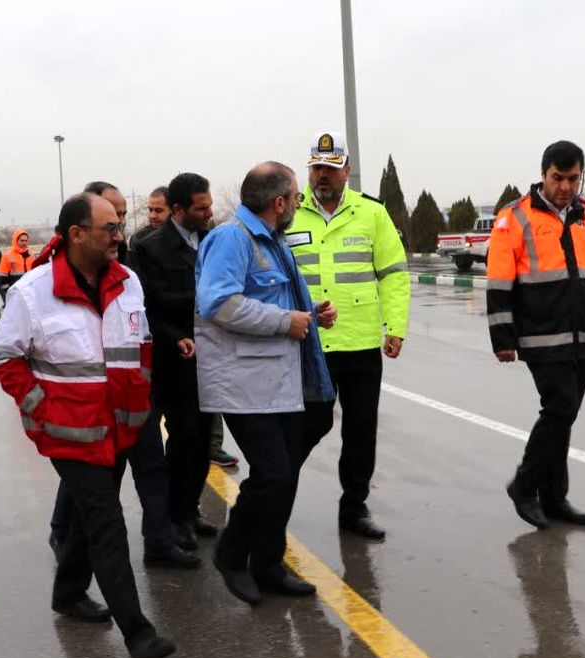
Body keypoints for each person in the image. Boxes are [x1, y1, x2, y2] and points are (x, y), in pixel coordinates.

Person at [0, 191, 175, 658]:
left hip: (119, 428)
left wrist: (142, 392)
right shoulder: (32, 291)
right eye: (109, 228)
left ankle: (68, 591)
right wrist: (40, 408)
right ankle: (138, 632)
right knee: (107, 520)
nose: (119, 235)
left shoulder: (128, 281)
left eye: (119, 226)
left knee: (91, 520)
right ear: (75, 234)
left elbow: (143, 343)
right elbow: (5, 357)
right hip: (69, 433)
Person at [195, 162, 336, 605]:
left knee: (285, 475)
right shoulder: (233, 238)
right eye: (295, 197)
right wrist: (284, 321)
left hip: (279, 380)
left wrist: (311, 313)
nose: (298, 203)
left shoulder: (272, 240)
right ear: (279, 203)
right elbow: (217, 302)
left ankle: (270, 563)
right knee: (273, 473)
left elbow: (272, 296)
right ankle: (232, 553)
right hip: (244, 383)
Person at [487, 141, 585, 529]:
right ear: (543, 175)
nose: (566, 187)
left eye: (573, 178)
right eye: (558, 178)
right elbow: (499, 283)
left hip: (579, 335)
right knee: (560, 408)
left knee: (564, 418)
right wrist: (503, 339)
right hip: (539, 336)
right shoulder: (514, 218)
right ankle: (524, 485)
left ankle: (555, 498)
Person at [289, 131, 410, 541]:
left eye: (330, 168)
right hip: (306, 343)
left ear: (346, 171)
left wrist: (396, 327)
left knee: (361, 429)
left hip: (359, 342)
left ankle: (353, 507)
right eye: (316, 167)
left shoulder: (371, 213)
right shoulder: (288, 212)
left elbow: (394, 274)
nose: (322, 176)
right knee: (307, 423)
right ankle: (272, 494)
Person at [129, 172, 219, 550]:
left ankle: (189, 507)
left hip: (209, 357)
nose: (209, 213)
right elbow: (144, 306)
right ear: (179, 210)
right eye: (202, 208)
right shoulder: (150, 249)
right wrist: (175, 335)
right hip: (171, 361)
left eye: (210, 205)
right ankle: (174, 516)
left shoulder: (213, 243)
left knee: (202, 443)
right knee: (183, 440)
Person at [0, 228, 34, 298]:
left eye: (26, 241)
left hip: (29, 295)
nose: (24, 243)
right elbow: (2, 280)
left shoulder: (31, 255)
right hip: (14, 295)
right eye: (22, 240)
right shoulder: (7, 256)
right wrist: (8, 296)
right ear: (16, 241)